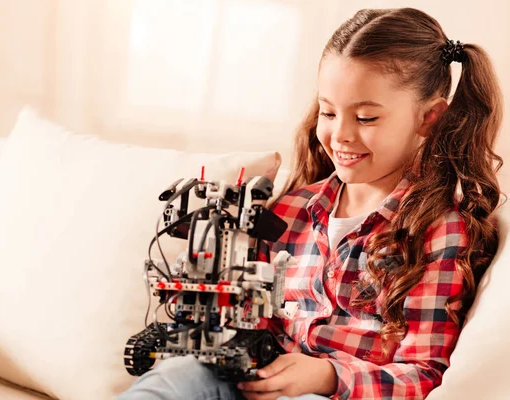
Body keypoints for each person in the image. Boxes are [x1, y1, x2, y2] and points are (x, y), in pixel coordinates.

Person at [117, 7, 503, 400]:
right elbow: (256, 321)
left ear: (429, 118)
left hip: (335, 394)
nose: (340, 134)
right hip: (254, 383)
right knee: (180, 374)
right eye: (328, 112)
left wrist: (327, 377)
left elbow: (423, 374)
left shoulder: (438, 230)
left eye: (366, 118)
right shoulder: (290, 210)